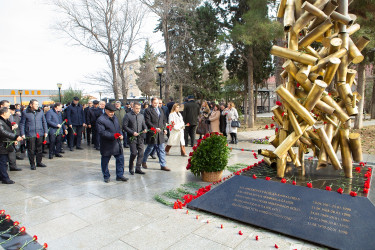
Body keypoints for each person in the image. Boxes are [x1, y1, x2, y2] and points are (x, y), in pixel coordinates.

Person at [96, 103, 128, 183]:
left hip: (116, 143)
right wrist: (114, 136)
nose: (112, 113)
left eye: (113, 111)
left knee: (120, 159)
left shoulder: (115, 117)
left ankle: (120, 175)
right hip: (107, 144)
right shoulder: (101, 120)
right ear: (105, 110)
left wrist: (120, 134)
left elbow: (118, 128)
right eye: (110, 111)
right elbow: (102, 132)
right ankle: (106, 176)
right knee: (105, 161)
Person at [142, 97, 170, 171]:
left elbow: (164, 120)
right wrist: (154, 128)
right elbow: (148, 121)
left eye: (157, 103)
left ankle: (163, 165)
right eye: (155, 103)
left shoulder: (160, 109)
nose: (156, 104)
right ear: (151, 103)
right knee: (150, 148)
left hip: (160, 132)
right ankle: (143, 161)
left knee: (161, 149)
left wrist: (164, 129)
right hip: (152, 132)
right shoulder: (148, 110)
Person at [20, 99, 49, 170]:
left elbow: (44, 122)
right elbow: (22, 124)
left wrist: (45, 131)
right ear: (31, 105)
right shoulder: (25, 112)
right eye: (35, 104)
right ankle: (32, 164)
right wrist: (23, 133)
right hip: (30, 133)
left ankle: (39, 162)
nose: (37, 106)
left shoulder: (40, 112)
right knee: (31, 149)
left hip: (40, 133)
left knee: (39, 149)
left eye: (37, 104)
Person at [123, 102, 147, 175]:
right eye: (136, 108)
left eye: (139, 108)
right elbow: (124, 126)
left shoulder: (141, 116)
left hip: (140, 137)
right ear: (132, 107)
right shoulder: (128, 115)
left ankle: (138, 168)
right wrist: (132, 132)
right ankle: (131, 167)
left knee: (141, 153)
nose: (138, 110)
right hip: (132, 137)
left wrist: (145, 129)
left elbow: (144, 124)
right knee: (134, 153)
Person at [0, 107, 23, 184]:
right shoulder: (0, 122)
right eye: (8, 112)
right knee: (3, 162)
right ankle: (5, 179)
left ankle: (2, 176)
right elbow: (3, 132)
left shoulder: (6, 121)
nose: (10, 114)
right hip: (2, 145)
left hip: (6, 143)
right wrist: (15, 137)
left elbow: (8, 131)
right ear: (3, 113)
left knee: (3, 162)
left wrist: (13, 140)